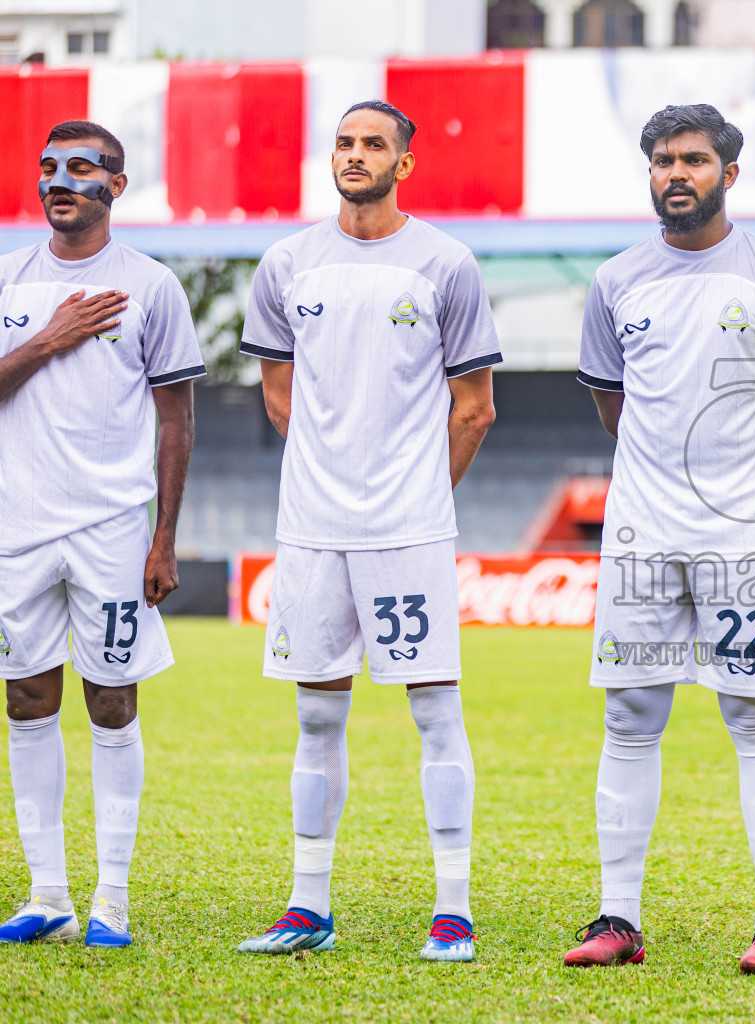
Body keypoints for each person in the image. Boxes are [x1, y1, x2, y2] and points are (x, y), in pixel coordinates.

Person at [563, 103, 755, 975]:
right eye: (662, 161)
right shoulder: (615, 281)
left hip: (741, 540)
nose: (676, 174)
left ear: (729, 172)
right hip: (641, 537)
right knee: (629, 716)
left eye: (693, 159)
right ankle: (617, 917)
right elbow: (614, 404)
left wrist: (744, 477)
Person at [233, 100, 501, 963]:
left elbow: (475, 408)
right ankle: (307, 905)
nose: (355, 155)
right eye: (345, 143)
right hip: (312, 530)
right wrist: (333, 480)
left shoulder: (446, 263)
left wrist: (412, 494)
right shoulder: (286, 263)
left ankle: (453, 911)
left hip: (407, 530)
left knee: (436, 712)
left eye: (374, 144)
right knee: (315, 718)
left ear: (404, 163)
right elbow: (280, 396)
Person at [0, 120, 204, 948]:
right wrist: (48, 340)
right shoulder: (9, 278)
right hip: (16, 529)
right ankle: (47, 894)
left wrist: (165, 537)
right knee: (25, 698)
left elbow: (176, 418)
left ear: (116, 186)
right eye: (49, 167)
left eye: (82, 168)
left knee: (112, 700)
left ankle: (110, 899)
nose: (60, 180)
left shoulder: (151, 286)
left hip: (113, 529)